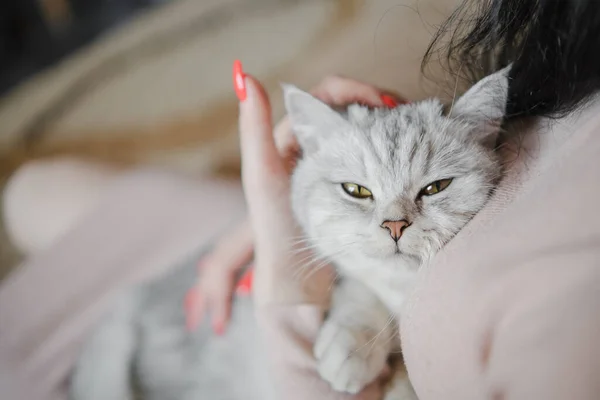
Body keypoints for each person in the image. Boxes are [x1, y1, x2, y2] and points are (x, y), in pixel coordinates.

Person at [2, 0, 600, 399]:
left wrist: (288, 294)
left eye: (434, 190)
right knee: (28, 191)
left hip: (268, 326)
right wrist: (277, 211)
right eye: (367, 195)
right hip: (284, 243)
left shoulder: (565, 333)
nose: (396, 222)